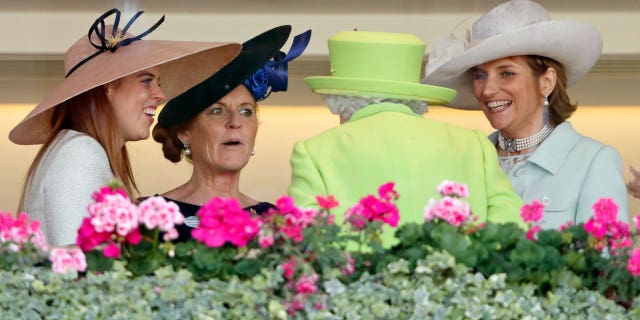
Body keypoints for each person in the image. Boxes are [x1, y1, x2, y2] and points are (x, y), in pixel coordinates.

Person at [9, 9, 242, 246]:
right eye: (146, 80)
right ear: (109, 86)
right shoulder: (80, 152)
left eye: (158, 83)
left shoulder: (78, 148)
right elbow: (79, 271)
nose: (160, 95)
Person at [287, 30, 524, 245]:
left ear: (338, 99)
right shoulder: (474, 145)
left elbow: (306, 244)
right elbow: (510, 232)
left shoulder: (314, 152)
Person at [424, 0, 629, 228]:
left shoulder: (593, 161)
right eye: (480, 75)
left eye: (507, 73)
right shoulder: (468, 161)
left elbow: (606, 260)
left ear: (546, 82)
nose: (488, 89)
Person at [152, 25, 311, 242]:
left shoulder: (275, 222)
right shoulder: (148, 218)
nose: (235, 122)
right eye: (217, 111)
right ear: (184, 133)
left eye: (246, 111)